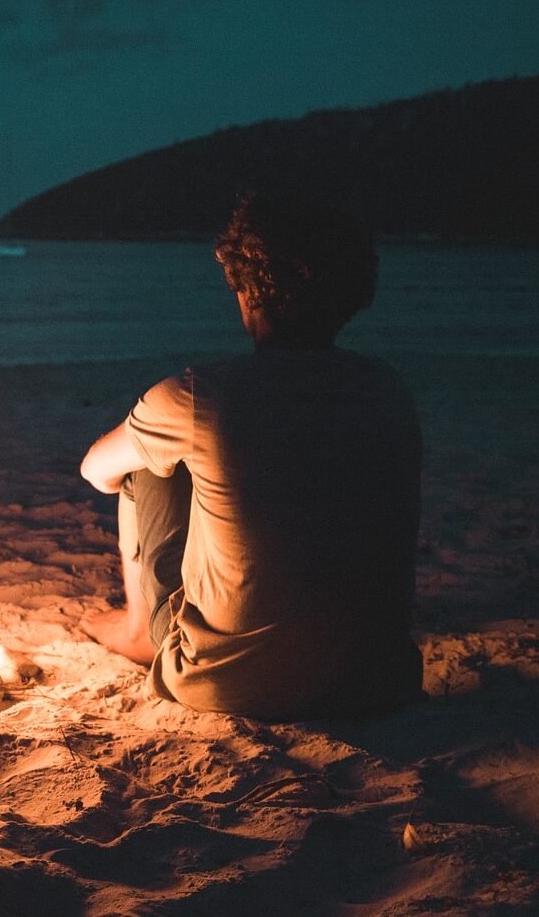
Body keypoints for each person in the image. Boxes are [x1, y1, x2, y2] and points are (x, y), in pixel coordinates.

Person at [79, 194, 423, 720]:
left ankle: (137, 628)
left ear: (246, 293)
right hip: (376, 681)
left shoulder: (202, 395)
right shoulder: (387, 390)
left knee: (146, 464)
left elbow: (95, 472)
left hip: (227, 683)